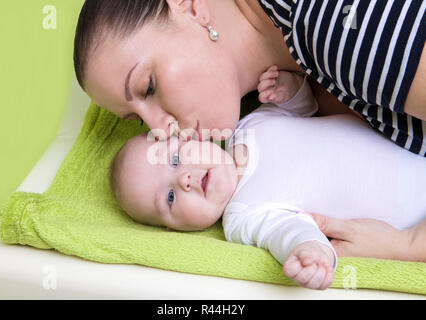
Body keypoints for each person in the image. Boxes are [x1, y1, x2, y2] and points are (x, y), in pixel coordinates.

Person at [74, 0, 426, 261]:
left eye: (148, 87)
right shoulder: (294, 79)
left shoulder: (336, 27)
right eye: (137, 122)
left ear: (191, 8)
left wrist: (408, 245)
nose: (159, 132)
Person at [109, 70, 426, 290]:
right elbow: (287, 231)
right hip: (414, 214)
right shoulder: (244, 217)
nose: (185, 180)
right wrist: (309, 251)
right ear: (173, 229)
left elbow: (304, 107)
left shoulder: (249, 125)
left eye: (176, 159)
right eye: (169, 198)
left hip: (413, 140)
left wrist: (289, 90)